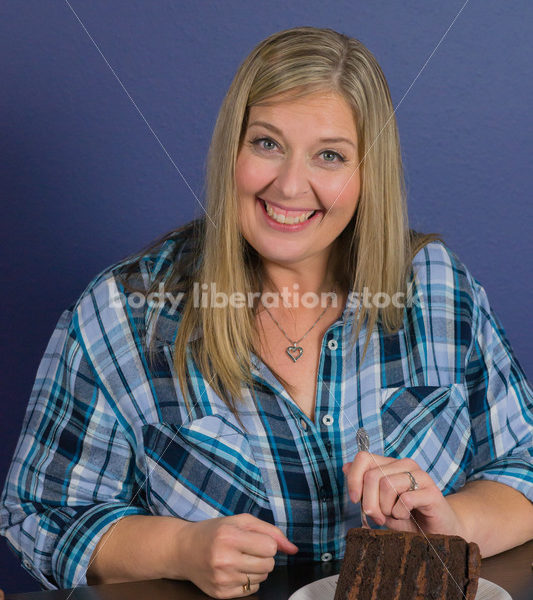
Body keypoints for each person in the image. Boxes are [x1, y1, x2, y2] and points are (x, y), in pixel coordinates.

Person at [1, 26, 532, 600]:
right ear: (233, 147)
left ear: (368, 174)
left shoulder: (436, 286)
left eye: (330, 156)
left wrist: (450, 527)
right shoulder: (126, 312)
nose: (289, 185)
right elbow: (38, 516)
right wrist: (180, 549)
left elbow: (526, 463)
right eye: (266, 144)